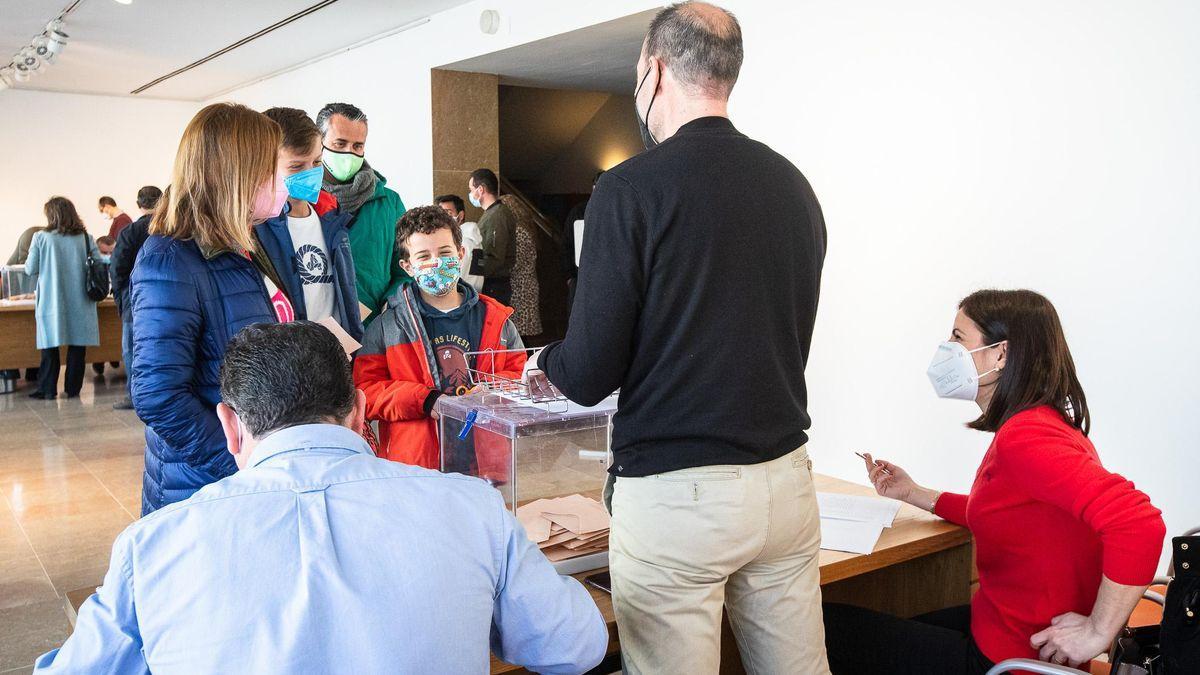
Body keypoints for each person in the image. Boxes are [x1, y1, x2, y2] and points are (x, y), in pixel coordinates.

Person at [33, 320, 607, 674]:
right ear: (360, 412)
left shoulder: (151, 545)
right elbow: (576, 646)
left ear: (230, 426)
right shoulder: (469, 507)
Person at [531, 3, 830, 672]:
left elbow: (586, 373)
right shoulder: (793, 185)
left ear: (655, 70)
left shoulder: (628, 189)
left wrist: (543, 357)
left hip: (679, 493)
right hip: (784, 479)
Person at [823, 289, 1166, 674]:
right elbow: (1005, 513)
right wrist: (913, 493)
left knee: (818, 626)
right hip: (999, 630)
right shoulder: (1041, 423)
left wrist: (1097, 631)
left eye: (957, 337)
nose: (945, 348)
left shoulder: (1026, 437)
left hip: (1009, 659)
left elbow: (1138, 523)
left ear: (1001, 355)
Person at [132, 103, 286, 514]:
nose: (281, 181)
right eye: (272, 168)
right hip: (203, 483)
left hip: (252, 466)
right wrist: (239, 460)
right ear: (237, 173)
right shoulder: (169, 259)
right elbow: (158, 396)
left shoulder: (247, 242)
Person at [354, 205, 525, 468]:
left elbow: (521, 376)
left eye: (444, 253)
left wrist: (492, 390)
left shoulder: (496, 320)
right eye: (423, 256)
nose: (435, 262)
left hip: (485, 462)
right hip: (417, 465)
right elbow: (366, 391)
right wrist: (424, 400)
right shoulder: (387, 327)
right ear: (407, 266)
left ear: (460, 253)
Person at [255, 107, 362, 343]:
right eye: (296, 167)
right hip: (286, 357)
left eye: (317, 162)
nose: (311, 173)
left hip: (336, 354)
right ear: (263, 166)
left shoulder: (332, 217)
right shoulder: (256, 229)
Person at [316, 102, 407, 322]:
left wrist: (392, 302)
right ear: (318, 142)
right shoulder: (304, 200)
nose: (349, 153)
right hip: (315, 325)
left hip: (373, 327)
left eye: (357, 146)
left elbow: (405, 266)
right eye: (340, 143)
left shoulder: (389, 202)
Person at [24, 197, 101, 400]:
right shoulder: (85, 237)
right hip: (81, 299)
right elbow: (100, 262)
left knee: (50, 343)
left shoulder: (40, 237)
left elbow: (30, 268)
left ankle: (48, 389)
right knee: (78, 345)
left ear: (51, 215)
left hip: (52, 299)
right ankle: (73, 390)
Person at [109, 185, 162, 410]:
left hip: (134, 301)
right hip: (165, 299)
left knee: (132, 349)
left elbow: (117, 269)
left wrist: (121, 300)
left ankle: (135, 396)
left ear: (139, 205)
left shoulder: (130, 232)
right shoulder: (170, 229)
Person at [466, 168, 516, 305]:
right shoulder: (491, 214)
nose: (470, 194)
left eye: (471, 189)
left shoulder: (497, 215)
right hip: (490, 282)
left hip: (495, 285)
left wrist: (473, 275)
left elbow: (495, 256)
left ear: (480, 190)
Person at [498, 194, 542, 337]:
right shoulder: (524, 229)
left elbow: (516, 262)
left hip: (521, 287)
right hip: (524, 284)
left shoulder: (517, 232)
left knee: (520, 333)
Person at [561, 170, 603, 310]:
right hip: (579, 276)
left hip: (603, 275)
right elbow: (566, 245)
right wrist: (570, 276)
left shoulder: (614, 212)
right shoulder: (578, 212)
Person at [436, 194, 484, 291]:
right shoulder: (472, 238)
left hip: (463, 296)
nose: (442, 218)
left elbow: (454, 277)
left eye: (448, 213)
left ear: (460, 215)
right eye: (440, 214)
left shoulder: (464, 242)